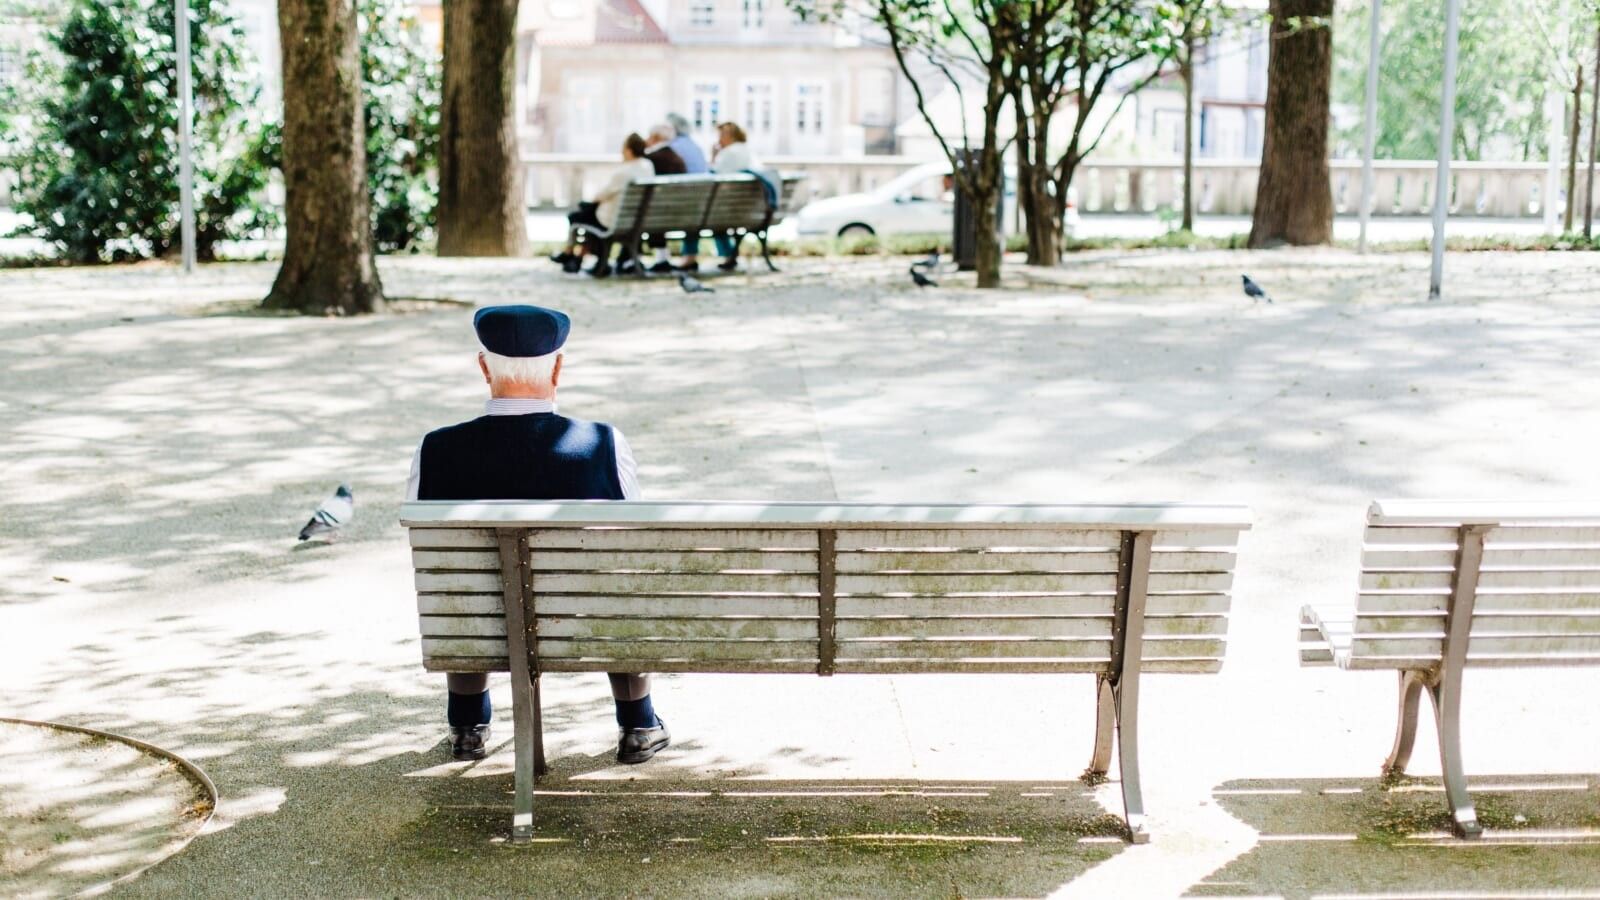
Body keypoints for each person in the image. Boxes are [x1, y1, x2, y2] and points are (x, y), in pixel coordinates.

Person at [406, 305, 669, 765]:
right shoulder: (603, 444)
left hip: (480, 626)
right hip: (584, 623)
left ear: (485, 368)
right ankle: (638, 722)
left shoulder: (436, 449)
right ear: (559, 368)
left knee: (464, 587)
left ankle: (467, 724)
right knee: (619, 579)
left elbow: (432, 550)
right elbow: (632, 537)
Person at [549, 133, 654, 278]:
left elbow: (600, 195)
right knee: (585, 213)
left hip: (614, 220)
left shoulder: (624, 172)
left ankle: (570, 254)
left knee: (579, 214)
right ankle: (575, 257)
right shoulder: (648, 166)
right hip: (636, 220)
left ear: (629, 151)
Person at [630, 123, 688, 275]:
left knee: (636, 212)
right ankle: (662, 258)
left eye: (649, 136)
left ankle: (630, 258)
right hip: (679, 212)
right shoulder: (678, 159)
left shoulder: (651, 160)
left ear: (656, 138)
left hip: (655, 213)